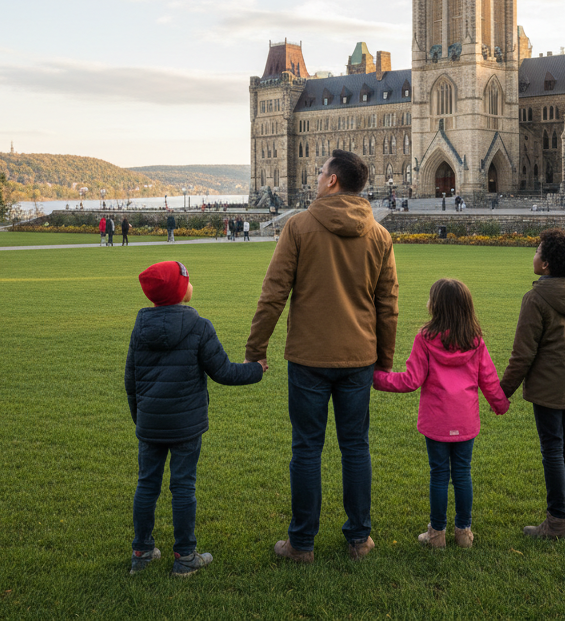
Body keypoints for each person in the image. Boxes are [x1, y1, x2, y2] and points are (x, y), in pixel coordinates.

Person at [245, 149, 399, 563]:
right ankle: (359, 540)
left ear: (332, 181)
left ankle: (301, 543)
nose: (316, 177)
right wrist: (384, 361)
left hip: (309, 358)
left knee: (307, 450)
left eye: (319, 172)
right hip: (359, 356)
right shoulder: (379, 235)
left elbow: (273, 294)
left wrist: (255, 350)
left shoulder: (299, 226)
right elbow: (388, 305)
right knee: (356, 448)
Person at [125, 260, 265, 577]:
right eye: (187, 281)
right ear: (180, 290)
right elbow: (225, 372)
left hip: (150, 423)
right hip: (186, 426)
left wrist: (141, 419)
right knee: (183, 487)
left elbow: (130, 381)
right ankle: (185, 556)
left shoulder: (140, 327)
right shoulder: (200, 326)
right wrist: (256, 369)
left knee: (146, 486)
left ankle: (142, 552)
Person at [373, 278, 508, 549]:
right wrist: (500, 404)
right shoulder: (475, 340)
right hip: (465, 420)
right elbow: (489, 379)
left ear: (436, 306)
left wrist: (377, 379)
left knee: (438, 475)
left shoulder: (425, 339)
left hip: (437, 421)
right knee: (462, 474)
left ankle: (436, 534)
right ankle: (463, 533)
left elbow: (411, 380)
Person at [500, 229, 565, 542]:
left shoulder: (536, 298)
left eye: (538, 251)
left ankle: (556, 523)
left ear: (547, 264)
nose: (534, 256)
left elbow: (522, 354)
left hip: (548, 386)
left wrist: (502, 392)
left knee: (553, 450)